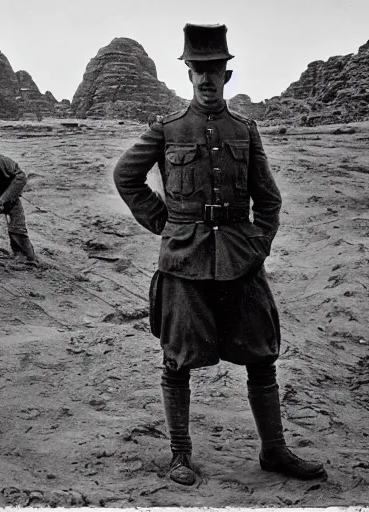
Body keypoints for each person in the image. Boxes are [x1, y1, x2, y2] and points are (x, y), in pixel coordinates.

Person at [113, 24, 326, 485]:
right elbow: (126, 176)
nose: (207, 79)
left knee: (262, 355)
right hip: (184, 262)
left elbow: (267, 199)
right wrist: (165, 225)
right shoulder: (168, 129)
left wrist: (257, 242)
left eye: (214, 70)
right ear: (188, 73)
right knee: (177, 357)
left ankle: (274, 451)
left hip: (239, 259)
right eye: (198, 70)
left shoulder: (245, 131)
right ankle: (180, 456)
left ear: (226, 75)